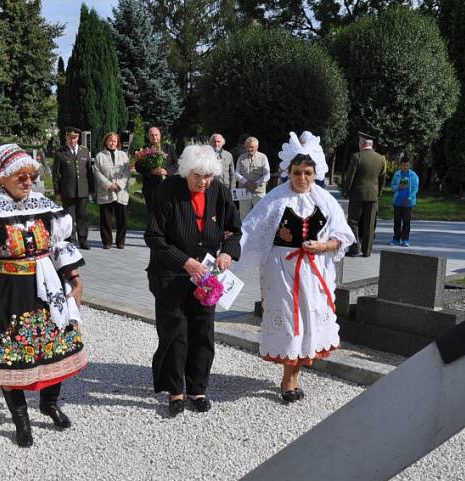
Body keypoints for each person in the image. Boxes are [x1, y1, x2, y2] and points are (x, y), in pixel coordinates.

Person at [0, 143, 87, 448]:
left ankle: (49, 404)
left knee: (57, 347)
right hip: (7, 293)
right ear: (1, 178)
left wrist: (75, 281)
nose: (27, 181)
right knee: (10, 358)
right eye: (19, 176)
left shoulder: (44, 207)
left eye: (30, 175)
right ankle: (21, 421)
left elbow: (58, 247)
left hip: (46, 290)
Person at [240, 137, 354, 403]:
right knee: (290, 322)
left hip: (312, 272)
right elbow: (250, 229)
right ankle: (288, 380)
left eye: (307, 173)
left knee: (307, 321)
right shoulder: (276, 199)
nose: (302, 178)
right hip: (281, 272)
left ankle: (294, 376)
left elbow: (343, 236)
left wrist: (324, 246)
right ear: (287, 173)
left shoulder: (324, 199)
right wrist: (226, 252)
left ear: (316, 174)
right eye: (297, 173)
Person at [144, 145, 242, 416]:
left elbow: (234, 230)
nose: (203, 181)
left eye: (209, 176)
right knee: (175, 332)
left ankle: (197, 388)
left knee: (202, 331)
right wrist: (184, 261)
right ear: (187, 171)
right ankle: (175, 391)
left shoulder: (219, 192)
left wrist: (227, 253)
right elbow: (154, 237)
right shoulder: (167, 191)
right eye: (198, 175)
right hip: (171, 275)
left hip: (206, 278)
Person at [341, 132, 386, 257]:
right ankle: (367, 251)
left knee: (353, 221)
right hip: (373, 195)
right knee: (369, 223)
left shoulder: (357, 156)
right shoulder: (380, 159)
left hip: (357, 195)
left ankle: (354, 248)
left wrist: (345, 191)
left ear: (362, 143)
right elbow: (382, 179)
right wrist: (379, 192)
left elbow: (350, 176)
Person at [52, 126, 95, 250]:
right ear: (66, 137)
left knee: (82, 215)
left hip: (83, 190)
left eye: (75, 138)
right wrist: (57, 191)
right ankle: (71, 239)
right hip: (67, 190)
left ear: (78, 138)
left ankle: (83, 239)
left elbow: (89, 172)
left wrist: (91, 190)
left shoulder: (84, 151)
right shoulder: (60, 153)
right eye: (70, 137)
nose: (72, 140)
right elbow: (56, 174)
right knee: (69, 216)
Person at [94, 132, 131, 249]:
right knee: (105, 219)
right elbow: (97, 172)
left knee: (122, 218)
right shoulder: (99, 156)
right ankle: (107, 241)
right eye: (110, 140)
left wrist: (119, 184)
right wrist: (109, 184)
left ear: (117, 142)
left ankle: (120, 241)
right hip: (106, 191)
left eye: (114, 141)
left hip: (121, 191)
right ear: (106, 141)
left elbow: (127, 171)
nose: (112, 143)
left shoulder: (123, 155)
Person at [139, 126, 178, 204]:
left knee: (167, 212)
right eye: (152, 135)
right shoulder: (144, 149)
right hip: (150, 187)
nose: (154, 137)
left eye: (156, 135)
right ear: (148, 137)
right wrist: (150, 171)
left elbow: (177, 164)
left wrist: (167, 171)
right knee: (152, 213)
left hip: (168, 186)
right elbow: (138, 167)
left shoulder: (169, 148)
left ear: (160, 135)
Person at [234, 136, 270, 219]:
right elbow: (236, 173)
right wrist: (246, 182)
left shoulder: (263, 157)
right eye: (247, 147)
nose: (249, 149)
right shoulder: (241, 157)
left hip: (258, 192)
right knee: (244, 216)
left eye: (252, 147)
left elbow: (267, 174)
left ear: (257, 147)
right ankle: (245, 232)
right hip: (244, 191)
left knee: (260, 216)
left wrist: (256, 184)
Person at [388, 155, 420, 247]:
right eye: (403, 165)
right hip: (398, 201)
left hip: (408, 202)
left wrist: (409, 198)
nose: (405, 167)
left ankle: (405, 239)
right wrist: (398, 187)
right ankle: (396, 239)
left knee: (406, 221)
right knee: (397, 221)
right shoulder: (397, 174)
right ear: (400, 165)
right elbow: (392, 186)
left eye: (407, 165)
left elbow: (415, 189)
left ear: (409, 165)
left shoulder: (413, 175)